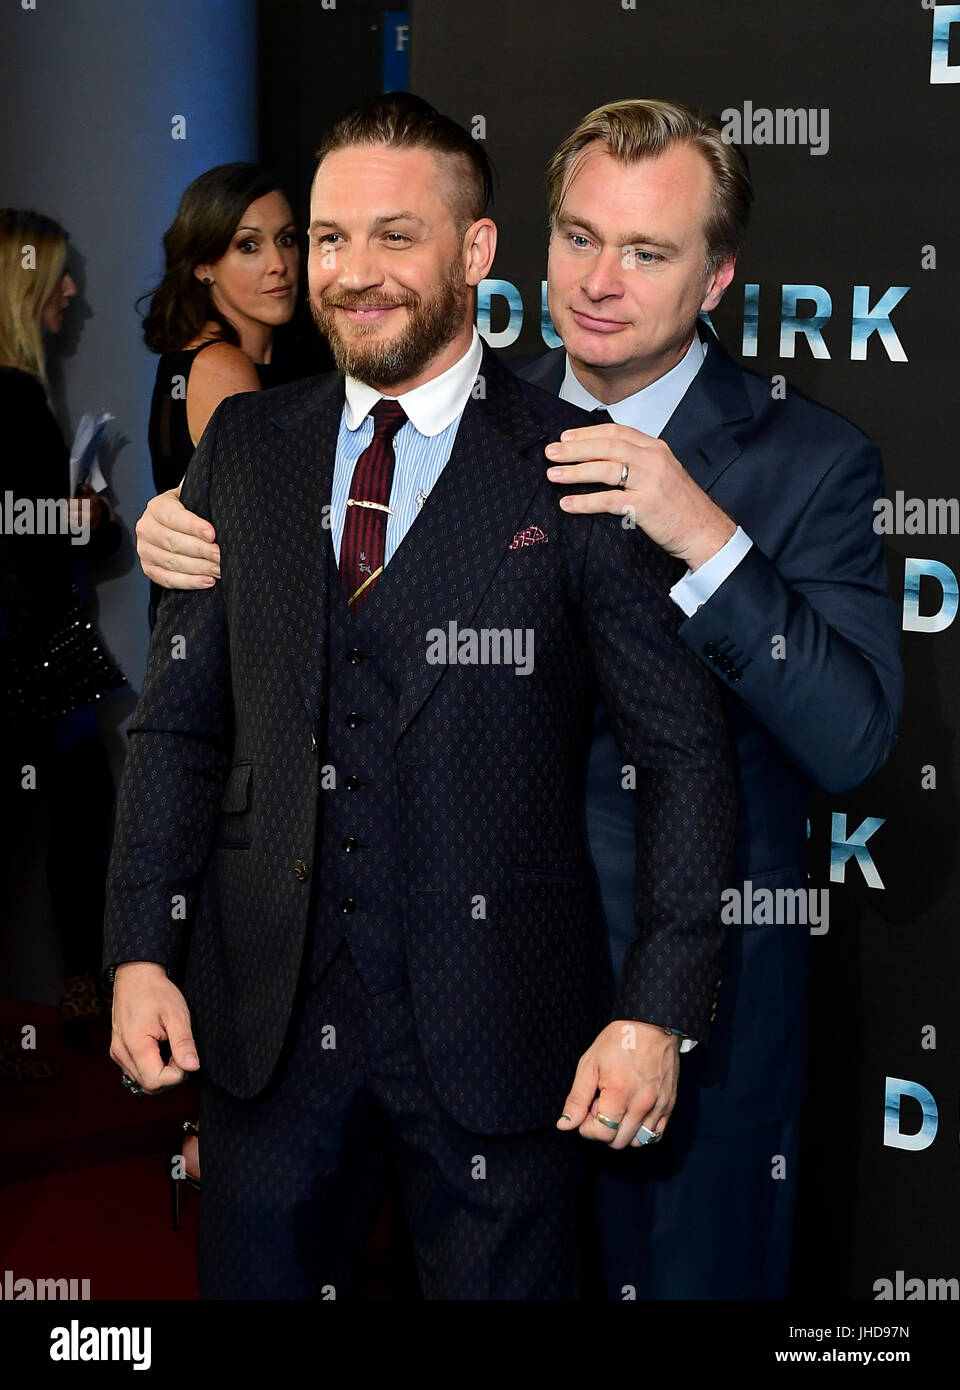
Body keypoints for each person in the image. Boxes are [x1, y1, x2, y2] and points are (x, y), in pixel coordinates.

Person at [135, 97, 904, 1300]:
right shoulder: (474, 411)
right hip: (444, 1006)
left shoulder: (807, 462)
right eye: (581, 240)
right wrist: (187, 546)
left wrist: (701, 531)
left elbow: (855, 738)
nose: (600, 282)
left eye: (647, 252)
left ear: (717, 279)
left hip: (675, 1002)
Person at [0, 209, 126, 1074]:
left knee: (77, 807)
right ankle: (92, 989)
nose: (75, 292)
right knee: (81, 810)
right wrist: (85, 517)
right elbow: (18, 527)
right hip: (31, 652)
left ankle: (89, 989)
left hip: (36, 649)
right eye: (57, 275)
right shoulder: (12, 399)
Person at [142, 163, 303, 627]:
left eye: (287, 239)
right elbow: (271, 532)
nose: (278, 263)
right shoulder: (221, 365)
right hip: (232, 635)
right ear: (204, 266)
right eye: (248, 245)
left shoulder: (286, 355)